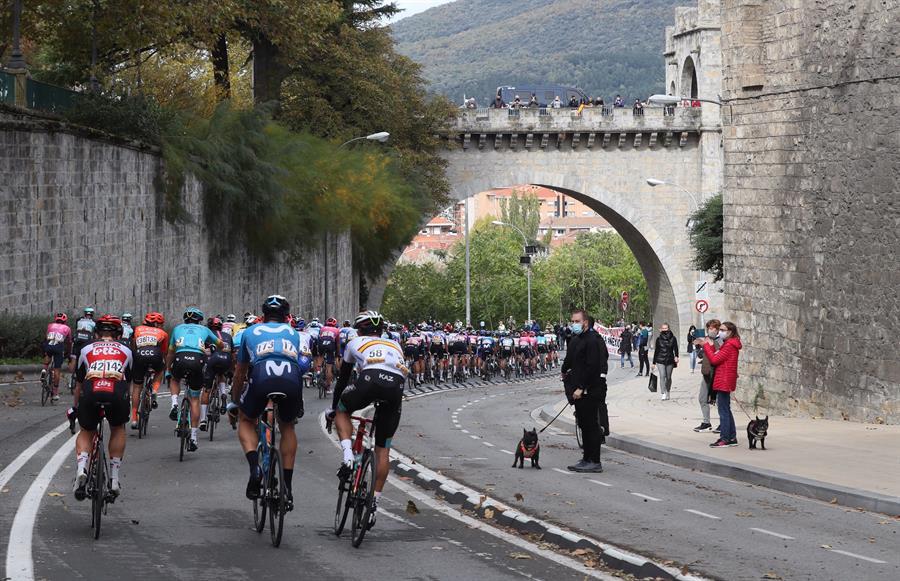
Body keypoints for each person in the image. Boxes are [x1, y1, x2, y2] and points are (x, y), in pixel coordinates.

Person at [227, 295, 309, 505]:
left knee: (246, 421)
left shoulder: (250, 331)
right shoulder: (294, 333)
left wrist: (236, 401)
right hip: (291, 377)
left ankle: (255, 469)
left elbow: (239, 374)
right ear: (286, 316)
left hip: (262, 375)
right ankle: (287, 489)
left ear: (263, 315)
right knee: (288, 426)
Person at [331, 310, 407, 528]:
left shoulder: (354, 342)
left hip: (369, 379)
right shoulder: (395, 345)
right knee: (383, 450)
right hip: (395, 388)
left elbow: (343, 379)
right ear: (381, 330)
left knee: (342, 410)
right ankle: (373, 504)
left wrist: (333, 408)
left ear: (359, 329)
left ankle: (347, 456)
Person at [72, 315, 132, 499]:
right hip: (116, 391)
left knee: (86, 430)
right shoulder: (127, 350)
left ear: (96, 333)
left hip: (91, 390)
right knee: (117, 428)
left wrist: (76, 407)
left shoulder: (86, 348)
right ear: (119, 334)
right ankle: (114, 478)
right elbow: (128, 381)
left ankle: (82, 468)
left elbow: (79, 384)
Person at [166, 307, 222, 452]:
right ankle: (194, 438)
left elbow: (170, 352)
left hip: (180, 357)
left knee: (174, 379)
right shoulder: (204, 330)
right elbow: (220, 344)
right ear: (199, 320)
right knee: (195, 399)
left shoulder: (177, 328)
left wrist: (168, 370)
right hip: (198, 359)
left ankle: (174, 404)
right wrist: (222, 347)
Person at [560, 309, 607, 473]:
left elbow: (592, 367)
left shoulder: (593, 340)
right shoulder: (577, 339)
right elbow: (572, 360)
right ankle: (586, 457)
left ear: (585, 322)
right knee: (583, 426)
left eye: (576, 321)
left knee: (591, 426)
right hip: (578, 389)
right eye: (572, 321)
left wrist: (582, 388)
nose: (574, 324)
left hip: (589, 390)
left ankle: (594, 461)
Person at [703, 322, 742, 447]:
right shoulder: (729, 344)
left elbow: (714, 360)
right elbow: (719, 354)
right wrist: (711, 345)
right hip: (725, 379)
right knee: (726, 409)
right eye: (720, 329)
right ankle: (731, 437)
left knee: (723, 410)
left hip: (724, 380)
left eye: (723, 330)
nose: (720, 332)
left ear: (730, 332)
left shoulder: (729, 345)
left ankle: (725, 438)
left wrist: (706, 346)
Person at [129, 312, 169, 428]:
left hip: (139, 355)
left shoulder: (137, 329)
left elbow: (134, 346)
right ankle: (155, 391)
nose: (161, 326)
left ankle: (134, 419)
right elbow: (164, 352)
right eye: (161, 324)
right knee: (159, 371)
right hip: (155, 355)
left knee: (137, 387)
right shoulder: (163, 333)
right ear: (156, 324)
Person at [692, 319, 721, 432]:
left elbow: (720, 354)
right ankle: (706, 422)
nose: (710, 330)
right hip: (706, 373)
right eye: (709, 328)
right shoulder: (706, 339)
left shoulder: (720, 341)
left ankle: (723, 423)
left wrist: (710, 345)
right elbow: (702, 355)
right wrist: (700, 348)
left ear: (717, 329)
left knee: (719, 401)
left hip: (717, 374)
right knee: (702, 398)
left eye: (713, 328)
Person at [42, 313, 72, 402]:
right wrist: (68, 353)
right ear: (65, 321)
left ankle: (44, 370)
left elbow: (46, 336)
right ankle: (55, 393)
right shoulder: (67, 328)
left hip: (49, 344)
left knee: (48, 355)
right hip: (58, 346)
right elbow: (69, 342)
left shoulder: (50, 325)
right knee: (57, 370)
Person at [652, 323, 679, 400]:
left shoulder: (673, 338)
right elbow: (656, 351)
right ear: (661, 329)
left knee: (668, 377)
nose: (664, 330)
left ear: (669, 328)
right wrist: (654, 363)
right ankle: (663, 393)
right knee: (662, 376)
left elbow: (675, 349)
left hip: (670, 359)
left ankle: (668, 391)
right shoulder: (658, 339)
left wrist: (676, 356)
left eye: (666, 328)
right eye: (663, 328)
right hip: (660, 360)